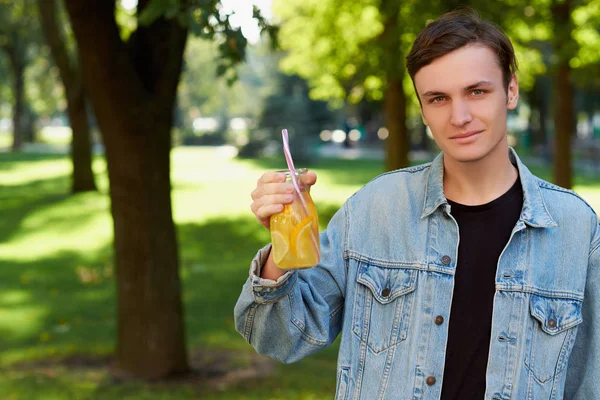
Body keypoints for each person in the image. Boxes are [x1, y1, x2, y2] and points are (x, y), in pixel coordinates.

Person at [234, 8, 599, 400]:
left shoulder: (577, 228)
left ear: (511, 90)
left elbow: (589, 384)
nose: (459, 116)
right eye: (438, 98)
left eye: (477, 91)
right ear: (423, 110)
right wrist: (280, 249)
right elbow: (282, 338)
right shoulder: (374, 209)